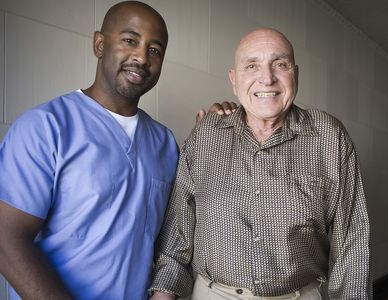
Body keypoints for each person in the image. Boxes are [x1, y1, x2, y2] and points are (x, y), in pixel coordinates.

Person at [0, 1, 231, 299]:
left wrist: (213, 136)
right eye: (130, 40)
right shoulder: (46, 127)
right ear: (99, 44)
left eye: (155, 50)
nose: (142, 57)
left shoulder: (164, 143)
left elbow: (180, 229)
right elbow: (7, 240)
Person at [150, 28, 371, 299]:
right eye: (251, 65)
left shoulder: (329, 136)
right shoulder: (207, 133)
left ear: (295, 74)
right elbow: (178, 229)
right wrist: (163, 292)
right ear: (234, 79)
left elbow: (352, 242)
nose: (267, 78)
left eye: (280, 64)